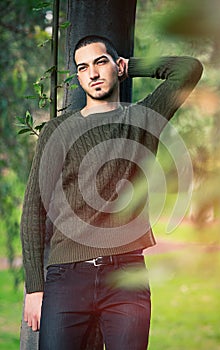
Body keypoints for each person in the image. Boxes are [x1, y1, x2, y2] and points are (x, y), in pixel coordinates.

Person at [20, 35, 203, 350]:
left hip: (126, 278)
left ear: (117, 67)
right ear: (78, 77)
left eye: (100, 62)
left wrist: (131, 66)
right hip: (67, 278)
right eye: (83, 67)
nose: (92, 73)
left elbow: (188, 69)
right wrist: (34, 289)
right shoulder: (57, 130)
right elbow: (34, 210)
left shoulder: (145, 118)